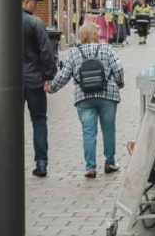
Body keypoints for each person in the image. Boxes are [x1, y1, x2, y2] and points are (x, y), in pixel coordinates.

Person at [47, 22, 125, 178]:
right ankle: (110, 163)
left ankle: (90, 168)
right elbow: (118, 69)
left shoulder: (74, 53)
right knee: (109, 130)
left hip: (84, 97)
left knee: (88, 132)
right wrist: (119, 83)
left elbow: (64, 75)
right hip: (107, 96)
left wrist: (52, 88)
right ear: (95, 34)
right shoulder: (107, 49)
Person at [22, 0, 58, 178]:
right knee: (39, 121)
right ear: (25, 1)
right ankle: (41, 163)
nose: (36, 6)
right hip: (35, 80)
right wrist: (49, 76)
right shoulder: (35, 23)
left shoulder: (4, 20)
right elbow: (47, 52)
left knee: (10, 123)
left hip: (11, 82)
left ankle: (9, 162)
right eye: (34, 3)